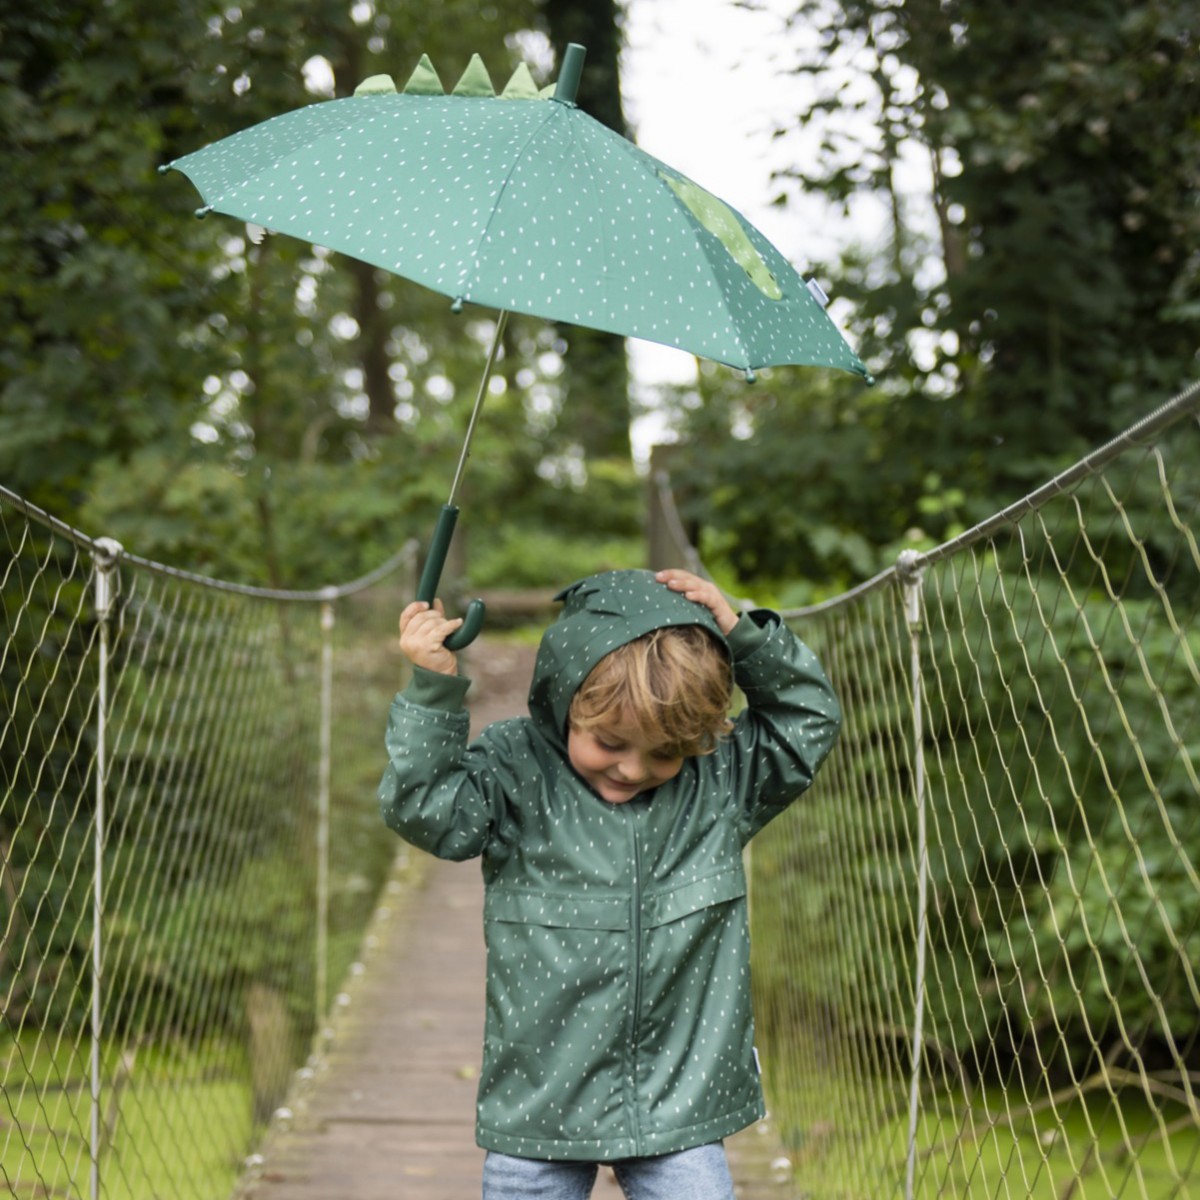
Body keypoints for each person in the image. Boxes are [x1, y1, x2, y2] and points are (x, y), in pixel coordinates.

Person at [379, 567, 841, 1200]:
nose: (633, 768)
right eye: (609, 742)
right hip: (539, 1102)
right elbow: (427, 811)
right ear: (565, 698)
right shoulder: (517, 770)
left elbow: (806, 721)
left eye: (665, 753)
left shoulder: (718, 784)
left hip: (679, 1105)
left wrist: (740, 635)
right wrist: (434, 689)